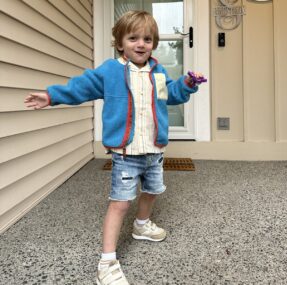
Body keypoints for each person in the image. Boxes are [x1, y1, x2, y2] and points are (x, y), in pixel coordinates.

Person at [24, 10, 206, 285]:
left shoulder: (158, 72)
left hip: (154, 151)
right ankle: (107, 261)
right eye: (133, 38)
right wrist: (52, 96)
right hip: (125, 154)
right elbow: (81, 87)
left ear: (154, 43)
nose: (141, 44)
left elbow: (172, 94)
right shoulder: (110, 71)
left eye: (147, 38)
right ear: (120, 42)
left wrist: (188, 83)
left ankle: (142, 226)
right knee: (120, 203)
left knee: (153, 190)